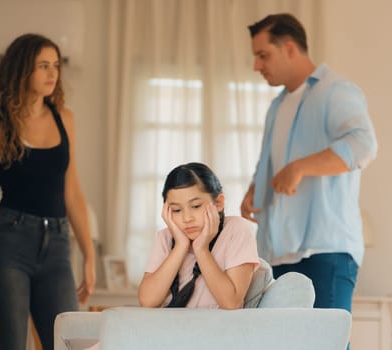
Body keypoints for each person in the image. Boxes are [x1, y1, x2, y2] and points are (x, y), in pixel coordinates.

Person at [240, 13, 378, 315]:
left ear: (290, 48)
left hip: (325, 250)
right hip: (276, 254)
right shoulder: (277, 107)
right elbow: (270, 160)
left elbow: (363, 145)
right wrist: (255, 187)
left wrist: (300, 167)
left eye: (263, 55)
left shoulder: (336, 91)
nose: (256, 66)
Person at [0, 33, 96, 350]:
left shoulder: (65, 118)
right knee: (9, 345)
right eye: (43, 66)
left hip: (58, 247)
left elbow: (73, 192)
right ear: (23, 70)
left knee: (67, 344)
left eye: (55, 66)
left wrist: (89, 255)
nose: (52, 73)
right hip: (9, 243)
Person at [139, 162, 259, 309]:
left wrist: (201, 249)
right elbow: (147, 301)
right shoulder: (165, 237)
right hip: (169, 328)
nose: (187, 218)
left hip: (214, 329)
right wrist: (180, 246)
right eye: (176, 210)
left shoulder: (236, 229)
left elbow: (231, 302)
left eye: (196, 206)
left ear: (218, 203)